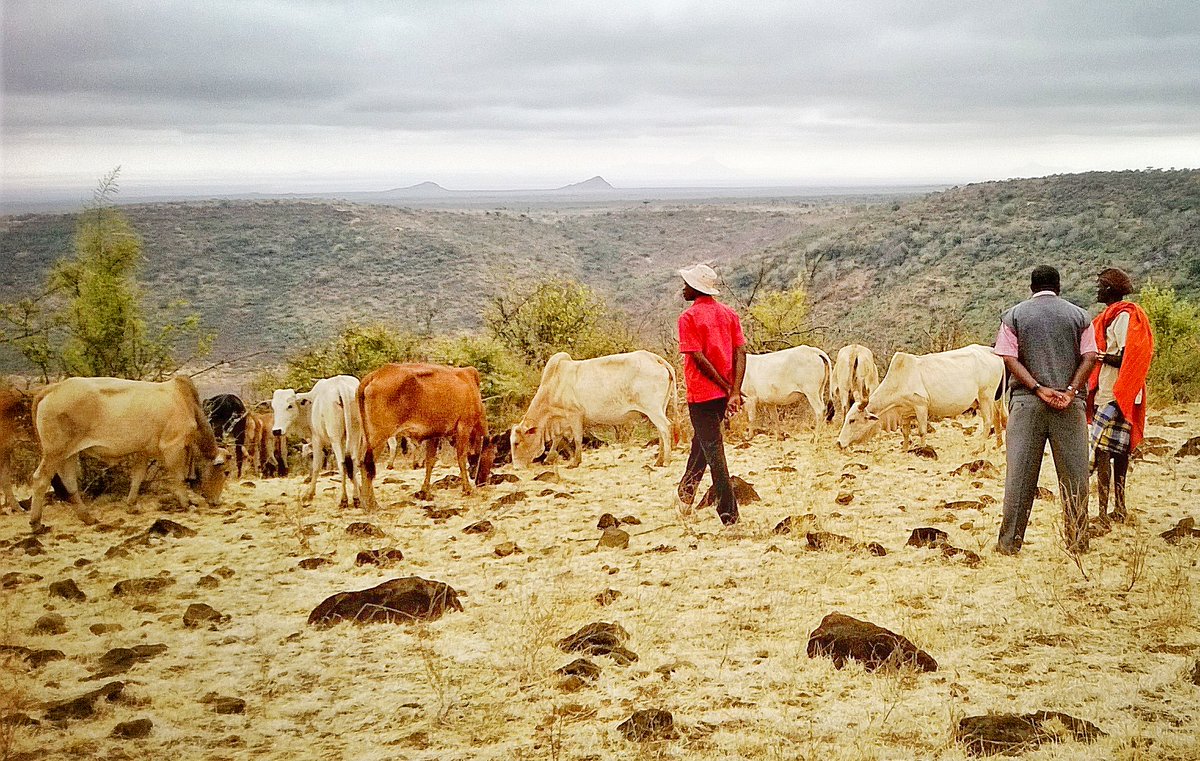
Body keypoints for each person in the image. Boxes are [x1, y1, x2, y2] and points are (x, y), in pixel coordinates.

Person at [994, 265, 1097, 555]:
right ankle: (1077, 542)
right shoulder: (1079, 315)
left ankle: (1009, 543)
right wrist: (1071, 391)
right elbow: (1090, 356)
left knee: (1020, 475)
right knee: (1075, 475)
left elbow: (1008, 357)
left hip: (1028, 404)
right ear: (1059, 286)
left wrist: (1038, 388)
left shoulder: (1014, 315)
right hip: (1069, 404)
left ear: (1032, 287)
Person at [674, 263, 746, 526]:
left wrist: (726, 387)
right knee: (703, 443)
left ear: (695, 288)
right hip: (723, 395)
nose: (683, 288)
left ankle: (729, 516)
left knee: (714, 451)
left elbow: (698, 357)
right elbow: (740, 352)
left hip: (701, 395)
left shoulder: (688, 319)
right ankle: (685, 494)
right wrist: (734, 390)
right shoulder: (729, 314)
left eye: (686, 284)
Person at [1087, 268, 1154, 525]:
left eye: (1101, 285)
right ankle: (1117, 508)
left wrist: (1099, 357)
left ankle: (1107, 512)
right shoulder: (1114, 316)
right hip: (1117, 390)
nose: (1097, 289)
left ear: (1110, 289)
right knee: (1117, 451)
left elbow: (1128, 357)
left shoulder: (1124, 317)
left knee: (1106, 449)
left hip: (1116, 391)